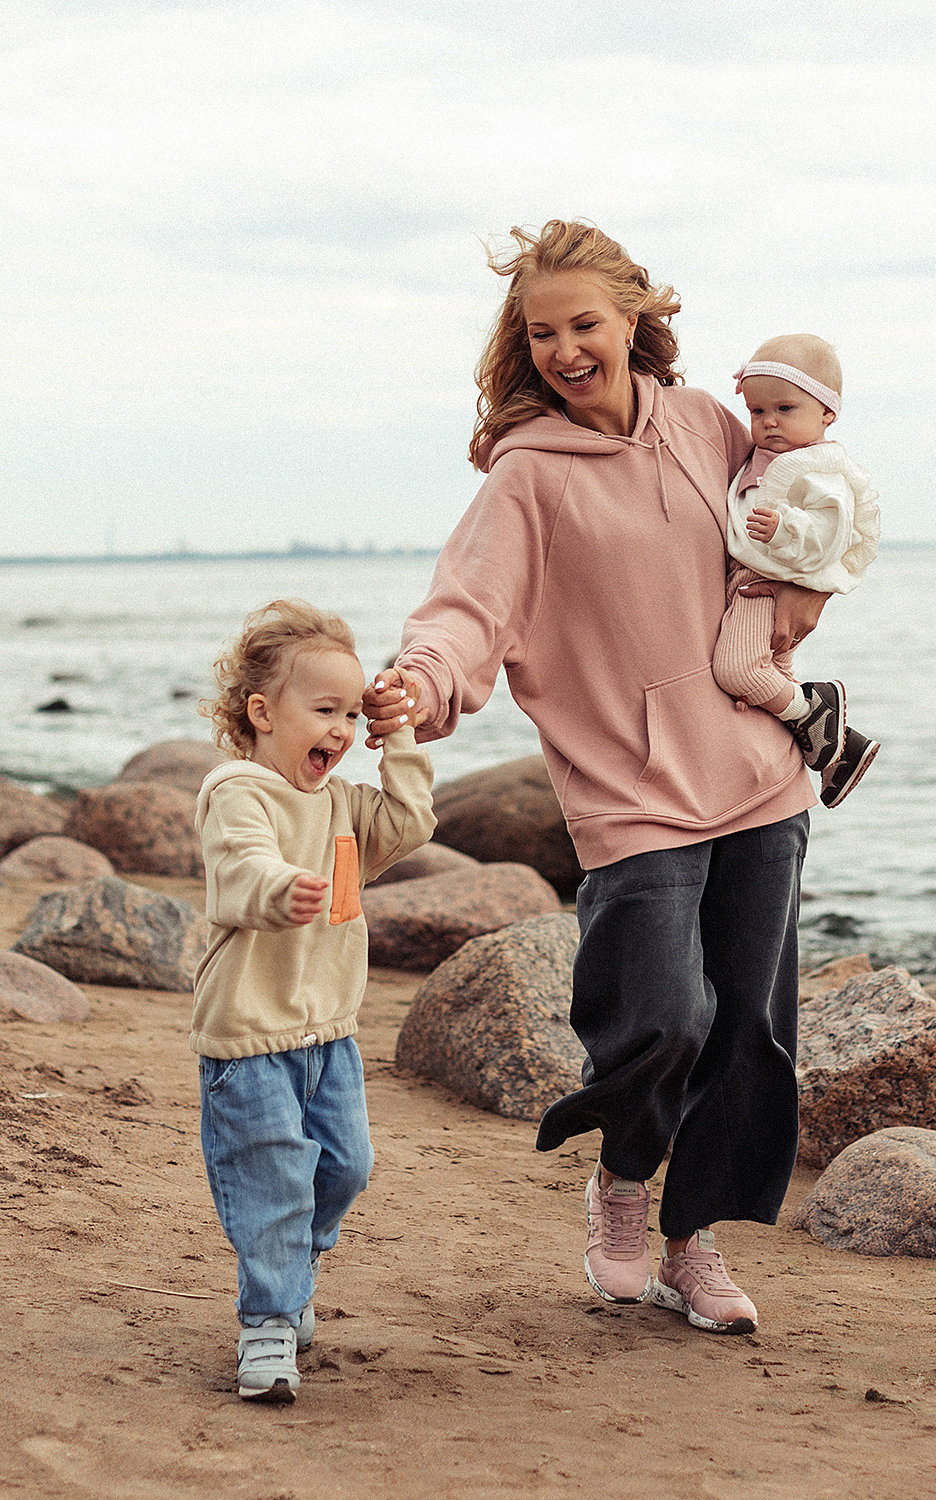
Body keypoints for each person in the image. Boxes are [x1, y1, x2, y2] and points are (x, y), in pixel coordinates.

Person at [365, 219, 828, 1336]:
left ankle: (690, 1242)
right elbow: (466, 609)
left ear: (633, 320)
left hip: (759, 777)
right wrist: (416, 686)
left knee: (749, 1035)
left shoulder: (710, 424)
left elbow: (794, 531)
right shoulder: (527, 477)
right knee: (659, 1017)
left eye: (585, 324)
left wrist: (806, 602)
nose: (567, 348)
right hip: (629, 792)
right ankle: (624, 1181)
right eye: (543, 333)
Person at [193, 599, 435, 1402]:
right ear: (263, 713)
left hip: (328, 1032)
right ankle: (267, 1323)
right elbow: (239, 866)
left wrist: (393, 732)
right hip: (248, 1032)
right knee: (272, 1184)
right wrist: (278, 888)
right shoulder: (238, 790)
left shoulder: (343, 807)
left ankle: (292, 1263)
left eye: (350, 711)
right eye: (323, 709)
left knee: (346, 1168)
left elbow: (410, 820)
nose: (339, 728)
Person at [713, 333, 881, 808]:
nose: (768, 423)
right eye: (757, 412)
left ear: (827, 412)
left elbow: (829, 533)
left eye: (785, 409)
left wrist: (785, 528)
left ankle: (824, 725)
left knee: (738, 670)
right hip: (749, 579)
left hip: (767, 586)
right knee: (775, 667)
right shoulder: (769, 458)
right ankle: (829, 756)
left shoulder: (820, 470)